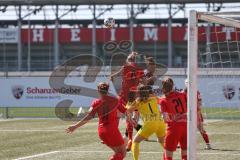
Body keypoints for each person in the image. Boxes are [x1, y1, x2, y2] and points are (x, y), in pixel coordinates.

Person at [66, 82, 127, 160]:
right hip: (112, 130)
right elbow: (125, 110)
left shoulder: (96, 102)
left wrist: (75, 126)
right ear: (108, 90)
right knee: (122, 153)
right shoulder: (115, 100)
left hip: (102, 131)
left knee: (118, 154)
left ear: (98, 91)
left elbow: (88, 117)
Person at [110, 52, 144, 151]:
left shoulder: (125, 66)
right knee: (134, 115)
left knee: (118, 114)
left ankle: (118, 135)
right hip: (135, 95)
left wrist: (112, 76)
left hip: (124, 95)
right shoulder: (139, 69)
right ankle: (130, 137)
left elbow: (116, 74)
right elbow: (144, 81)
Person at [126, 84, 166, 160]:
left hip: (150, 124)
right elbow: (162, 101)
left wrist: (128, 104)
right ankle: (168, 157)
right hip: (160, 122)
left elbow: (128, 110)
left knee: (135, 141)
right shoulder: (153, 97)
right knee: (162, 141)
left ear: (139, 93)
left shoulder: (138, 101)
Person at [158, 77, 187, 160]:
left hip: (174, 128)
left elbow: (165, 119)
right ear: (173, 86)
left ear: (163, 88)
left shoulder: (163, 100)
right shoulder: (182, 95)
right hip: (186, 126)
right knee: (185, 154)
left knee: (168, 156)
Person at [184, 79, 212, 150]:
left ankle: (208, 144)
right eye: (187, 83)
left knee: (201, 129)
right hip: (187, 113)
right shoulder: (184, 93)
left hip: (195, 113)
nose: (188, 84)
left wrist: (198, 113)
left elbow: (199, 103)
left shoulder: (196, 92)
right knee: (184, 129)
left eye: (188, 83)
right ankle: (182, 144)